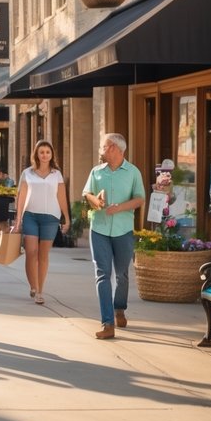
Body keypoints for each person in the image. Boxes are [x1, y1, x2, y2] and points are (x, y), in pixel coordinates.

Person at [82, 133, 146, 340]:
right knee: (102, 274)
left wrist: (120, 208)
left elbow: (139, 199)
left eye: (102, 146)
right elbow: (86, 194)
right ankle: (107, 323)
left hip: (123, 230)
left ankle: (119, 308)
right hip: (99, 229)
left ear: (113, 148)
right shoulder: (96, 172)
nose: (100, 149)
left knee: (122, 275)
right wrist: (95, 200)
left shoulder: (133, 172)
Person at [14, 140, 69, 305]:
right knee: (31, 252)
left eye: (47, 152)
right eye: (41, 152)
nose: (45, 155)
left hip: (51, 218)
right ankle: (33, 286)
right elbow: (21, 197)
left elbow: (61, 197)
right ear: (36, 155)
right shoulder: (28, 173)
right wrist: (18, 219)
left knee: (43, 255)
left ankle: (40, 291)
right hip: (30, 215)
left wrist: (66, 217)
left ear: (51, 155)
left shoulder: (56, 174)